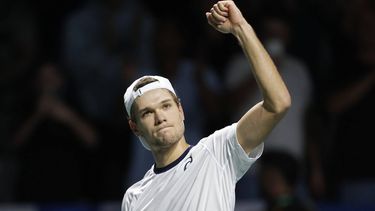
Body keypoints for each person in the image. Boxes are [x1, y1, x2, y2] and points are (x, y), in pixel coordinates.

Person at [121, 1, 291, 210]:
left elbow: (278, 104)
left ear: (180, 109)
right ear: (134, 126)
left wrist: (241, 29)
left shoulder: (217, 151)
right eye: (147, 113)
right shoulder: (133, 197)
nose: (160, 117)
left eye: (166, 106)